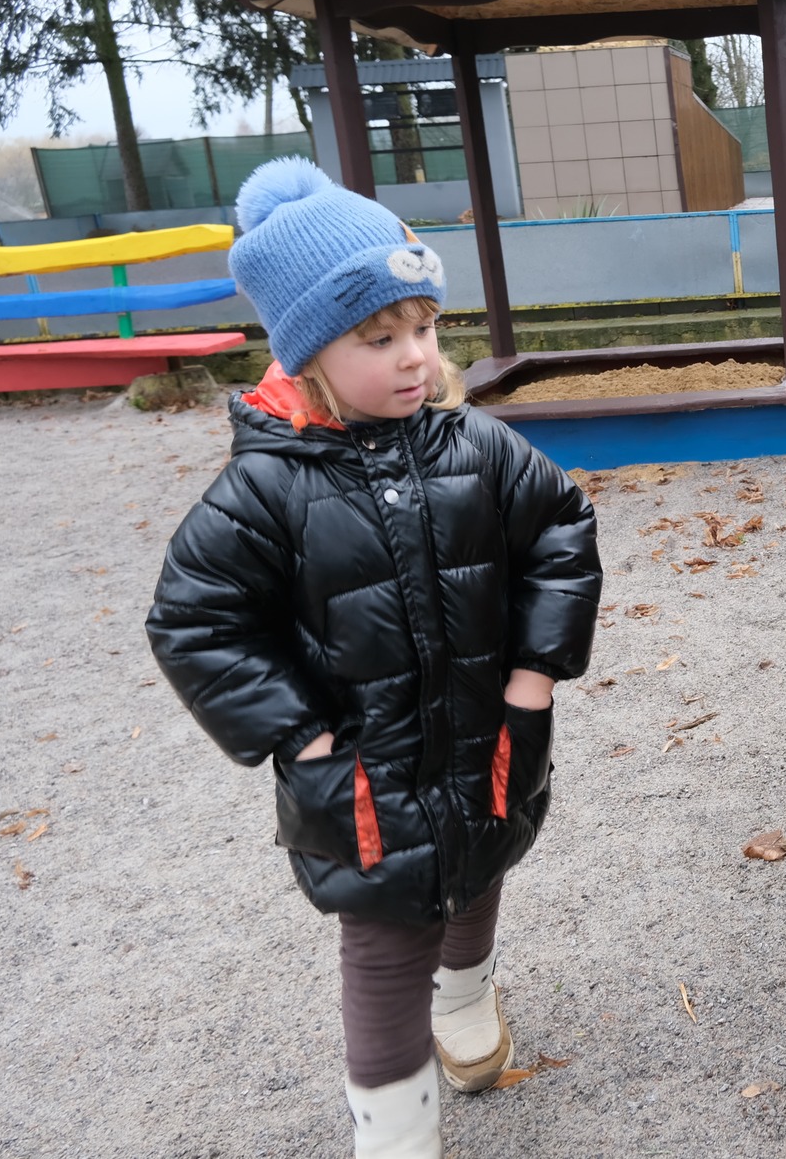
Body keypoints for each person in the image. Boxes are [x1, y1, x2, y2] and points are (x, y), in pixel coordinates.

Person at [145, 158, 602, 1159]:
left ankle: (470, 1003)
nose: (414, 355)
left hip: (490, 738)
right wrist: (301, 739)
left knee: (484, 867)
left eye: (424, 327)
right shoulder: (266, 491)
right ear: (308, 352)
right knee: (386, 954)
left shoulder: (475, 446)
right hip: (361, 782)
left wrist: (534, 676)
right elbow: (192, 622)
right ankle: (394, 1138)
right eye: (377, 337)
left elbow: (561, 532)